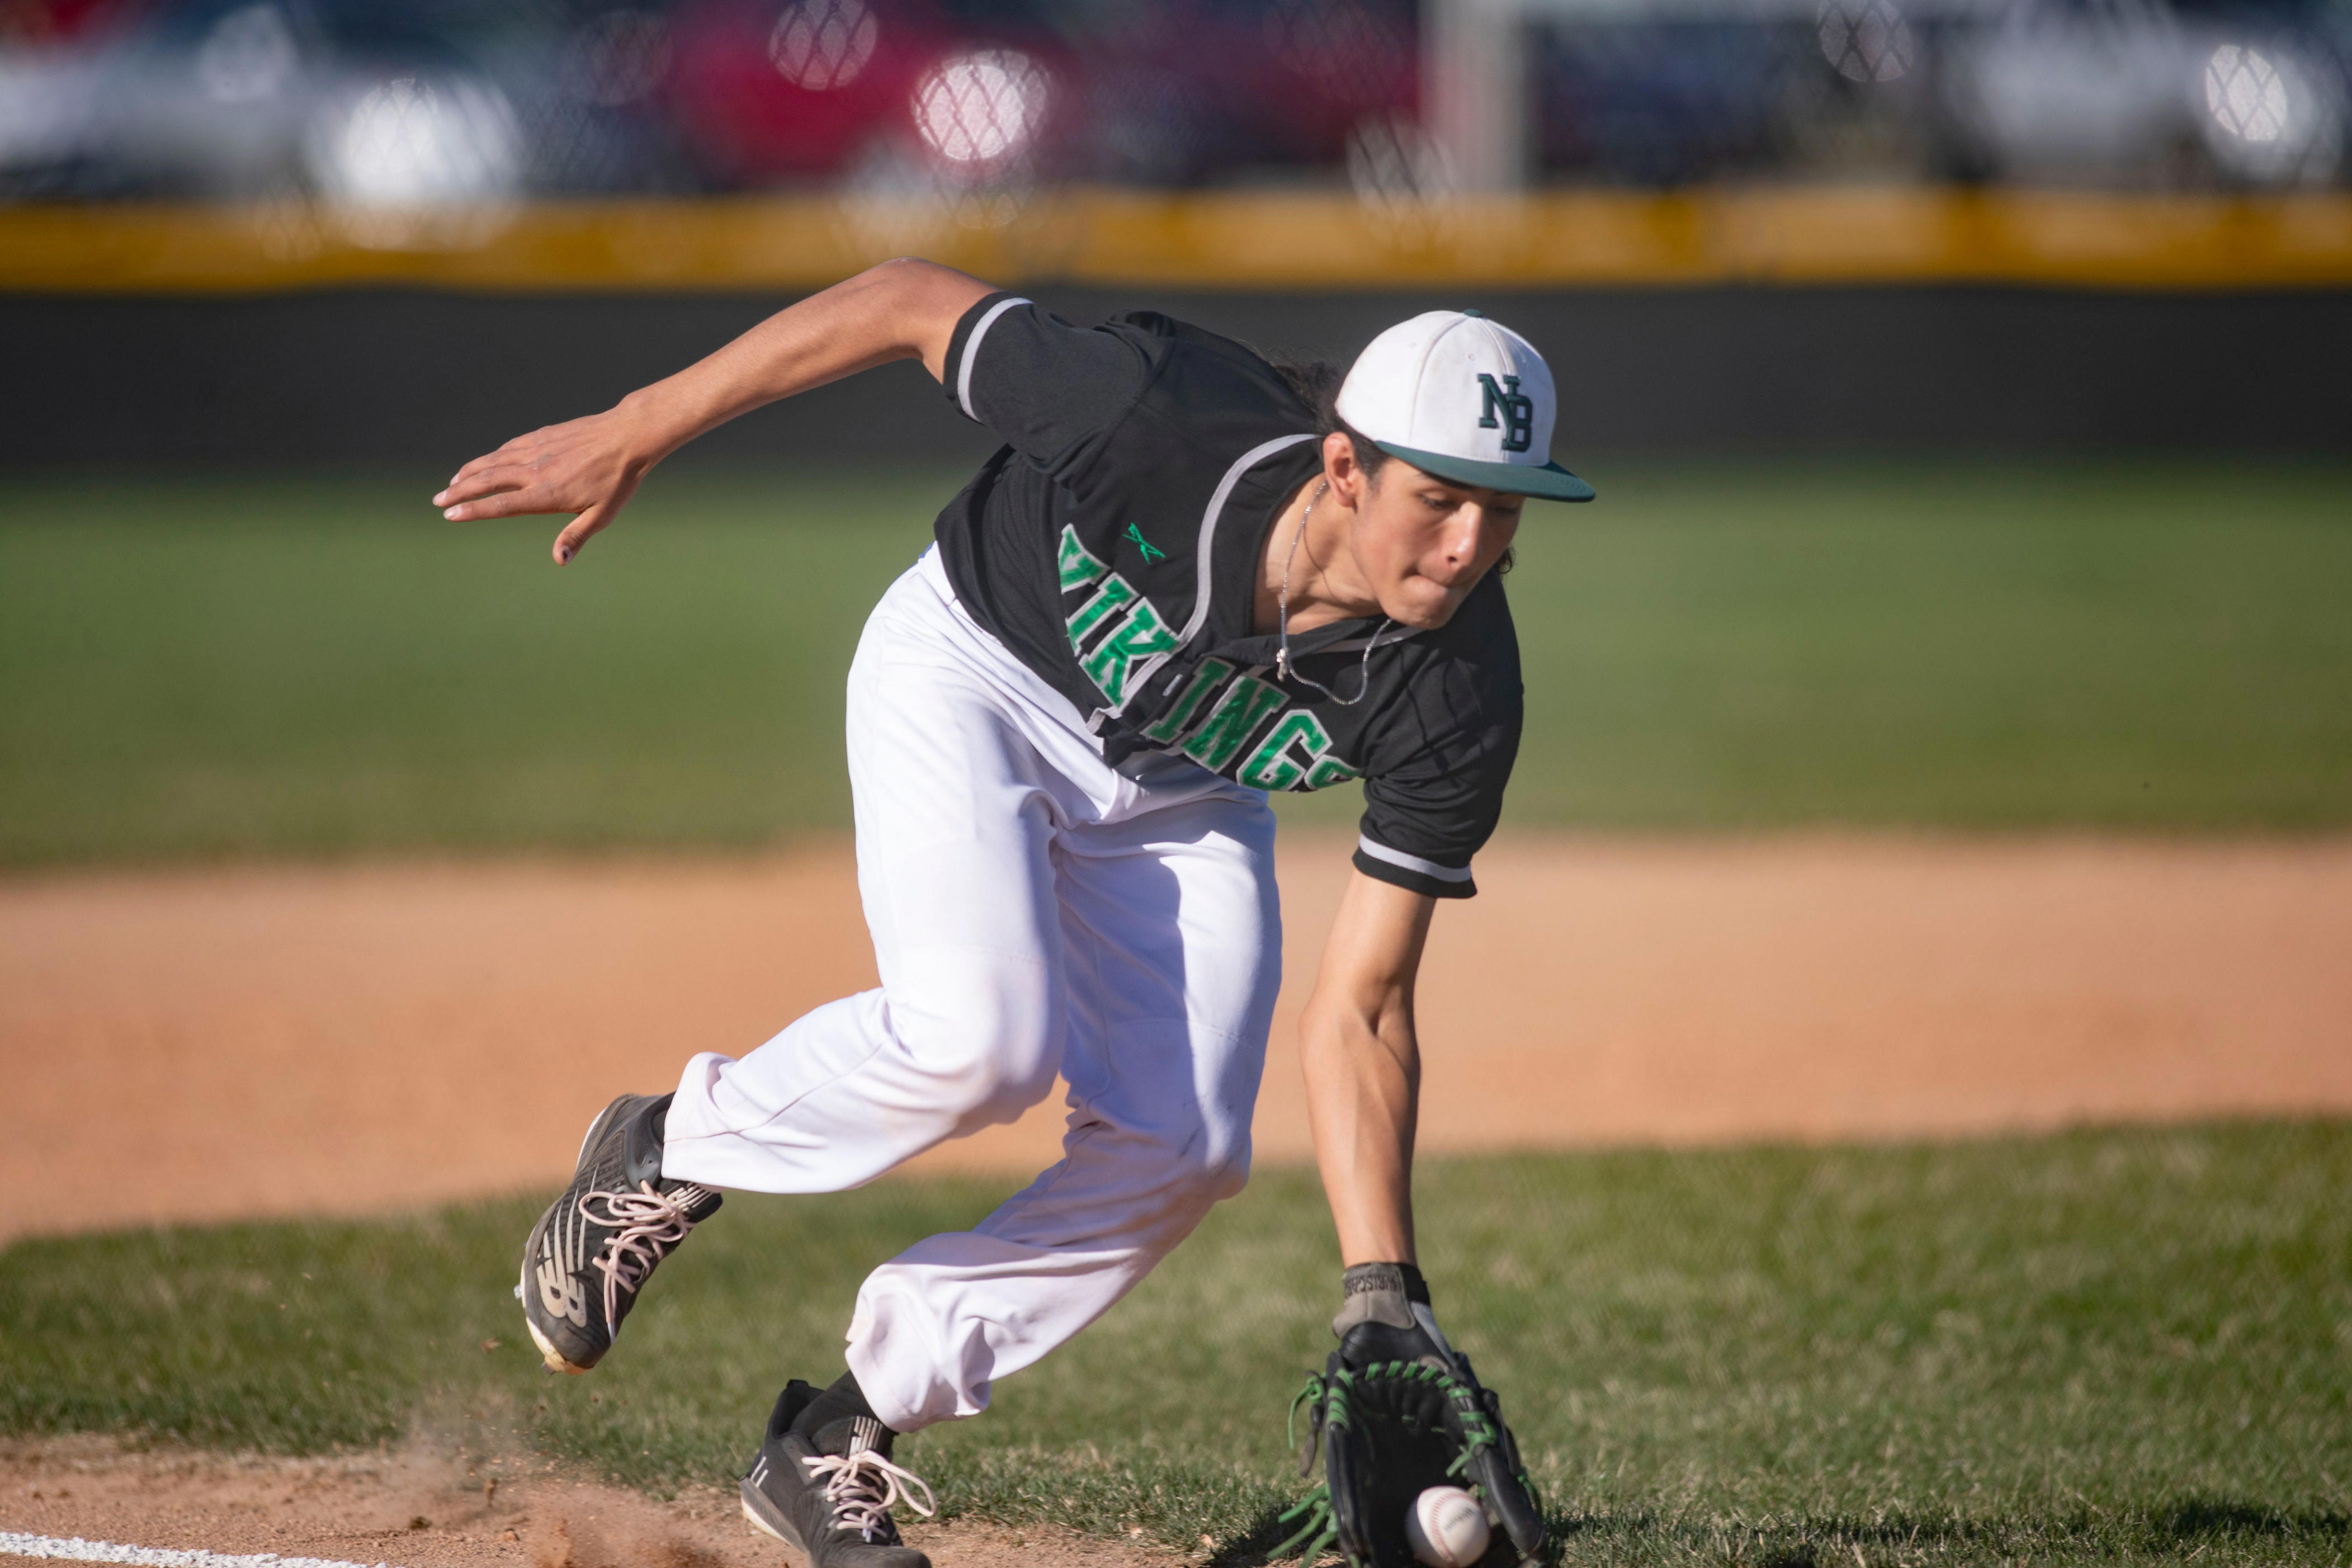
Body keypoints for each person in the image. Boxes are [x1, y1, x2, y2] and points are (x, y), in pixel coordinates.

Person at [433, 258, 1593, 1568]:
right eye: (1438, 499)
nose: (1467, 546)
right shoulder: (1155, 412)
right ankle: (667, 1149)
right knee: (977, 1040)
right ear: (1343, 469)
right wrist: (638, 424)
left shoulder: (1460, 693)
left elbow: (1366, 1005)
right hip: (972, 670)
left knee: (1187, 1146)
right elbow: (903, 305)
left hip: (1178, 785)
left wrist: (1381, 1292)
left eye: (1504, 511)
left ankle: (839, 1431)